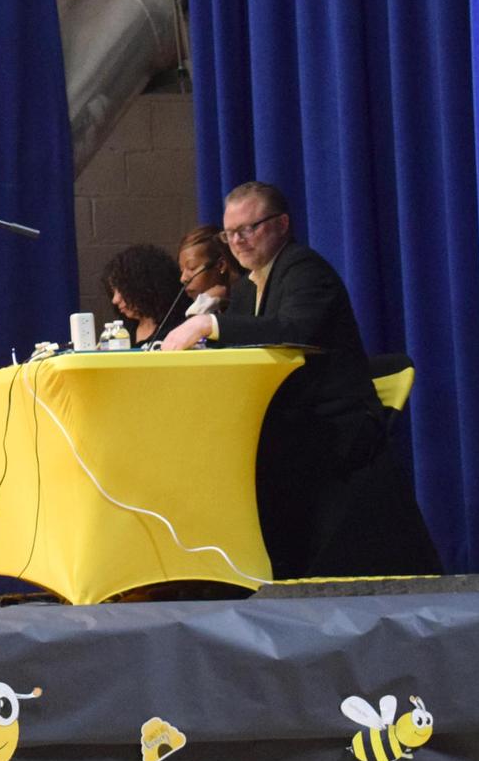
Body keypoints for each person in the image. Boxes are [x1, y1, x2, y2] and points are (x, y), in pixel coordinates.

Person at [161, 181, 433, 576]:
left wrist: (208, 323)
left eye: (248, 229)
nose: (236, 241)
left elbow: (294, 327)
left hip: (334, 427)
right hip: (293, 421)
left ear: (282, 224)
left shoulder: (304, 269)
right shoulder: (246, 289)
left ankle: (254, 571)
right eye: (229, 233)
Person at [99, 243, 187, 345]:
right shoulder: (122, 330)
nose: (115, 300)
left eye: (121, 290)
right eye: (113, 292)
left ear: (143, 286)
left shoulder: (180, 326)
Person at [177, 224, 241, 318]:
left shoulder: (244, 304)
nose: (183, 279)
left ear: (220, 265)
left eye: (192, 267)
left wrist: (201, 307)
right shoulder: (183, 306)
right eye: (181, 270)